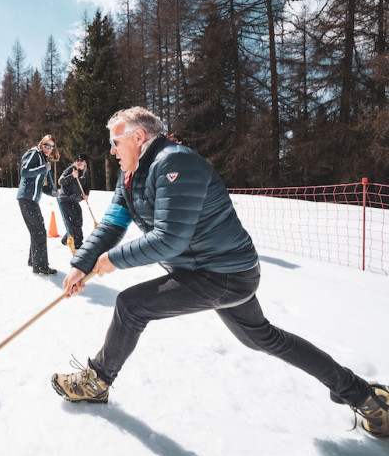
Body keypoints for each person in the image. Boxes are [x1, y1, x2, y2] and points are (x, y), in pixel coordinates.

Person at [51, 106, 389, 438]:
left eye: (115, 142)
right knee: (263, 338)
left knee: (131, 305)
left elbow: (168, 239)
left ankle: (97, 381)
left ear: (138, 136)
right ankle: (361, 393)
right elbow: (111, 223)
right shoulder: (132, 175)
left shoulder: (175, 163)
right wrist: (83, 262)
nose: (110, 150)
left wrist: (109, 261)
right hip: (205, 272)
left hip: (224, 274)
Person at [17, 134, 59, 275]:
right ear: (41, 144)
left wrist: (51, 192)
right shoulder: (34, 153)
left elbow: (41, 185)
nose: (49, 149)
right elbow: (24, 172)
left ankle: (33, 260)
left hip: (32, 199)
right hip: (26, 198)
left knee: (37, 231)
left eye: (51, 147)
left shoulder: (43, 160)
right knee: (39, 231)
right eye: (46, 145)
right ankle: (40, 266)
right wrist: (43, 169)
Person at [57, 153, 91, 250]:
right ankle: (78, 243)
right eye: (77, 160)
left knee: (78, 221)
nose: (79, 162)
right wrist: (71, 176)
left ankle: (66, 238)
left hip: (75, 200)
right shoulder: (71, 170)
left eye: (81, 161)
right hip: (65, 199)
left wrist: (86, 194)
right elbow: (60, 181)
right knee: (72, 222)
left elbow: (87, 185)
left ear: (85, 162)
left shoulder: (85, 172)